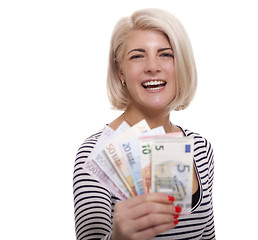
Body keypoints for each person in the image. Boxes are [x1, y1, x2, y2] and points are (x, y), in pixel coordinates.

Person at [73, 8, 215, 240]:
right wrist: (118, 237)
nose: (152, 66)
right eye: (137, 56)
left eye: (166, 54)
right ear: (121, 71)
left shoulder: (200, 147)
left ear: (181, 66)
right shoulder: (95, 153)